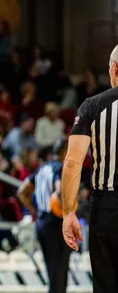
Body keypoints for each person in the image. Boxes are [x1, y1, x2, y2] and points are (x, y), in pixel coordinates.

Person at [62, 45, 118, 293]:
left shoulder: (93, 105)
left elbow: (73, 161)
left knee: (106, 284)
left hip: (107, 206)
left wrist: (68, 212)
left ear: (114, 69)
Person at [17, 139, 70, 293]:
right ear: (64, 152)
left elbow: (21, 192)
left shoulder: (42, 168)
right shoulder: (60, 167)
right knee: (60, 271)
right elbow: (60, 192)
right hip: (56, 222)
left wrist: (34, 210)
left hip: (42, 222)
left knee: (52, 272)